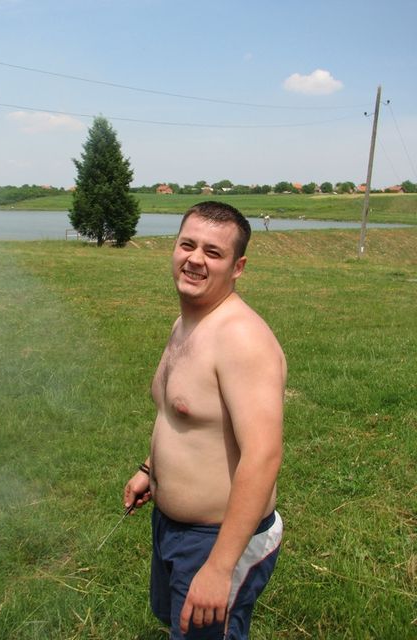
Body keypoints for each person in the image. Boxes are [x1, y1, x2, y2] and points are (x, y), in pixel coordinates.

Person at [124, 201, 286, 639]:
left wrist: (219, 567)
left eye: (213, 252)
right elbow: (183, 416)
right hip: (173, 528)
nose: (195, 259)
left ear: (238, 267)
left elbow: (263, 456)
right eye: (187, 245)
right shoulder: (187, 322)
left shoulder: (241, 338)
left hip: (217, 539)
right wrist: (150, 469)